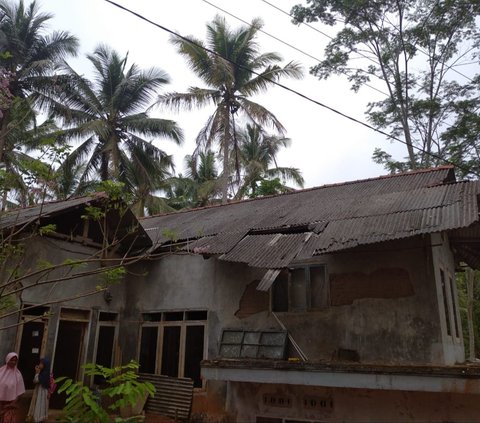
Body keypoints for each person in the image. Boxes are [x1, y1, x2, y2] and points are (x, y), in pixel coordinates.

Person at [0, 352, 26, 423]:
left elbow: (20, 391)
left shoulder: (18, 374)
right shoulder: (1, 372)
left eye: (15, 360)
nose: (13, 362)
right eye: (12, 360)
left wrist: (13, 403)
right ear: (7, 360)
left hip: (11, 406)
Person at [26, 358, 50, 423]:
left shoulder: (44, 374)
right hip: (40, 391)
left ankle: (38, 418)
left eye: (41, 363)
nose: (39, 365)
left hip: (41, 392)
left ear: (45, 365)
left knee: (39, 405)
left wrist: (37, 373)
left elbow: (36, 380)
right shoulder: (44, 373)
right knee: (38, 405)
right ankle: (38, 418)